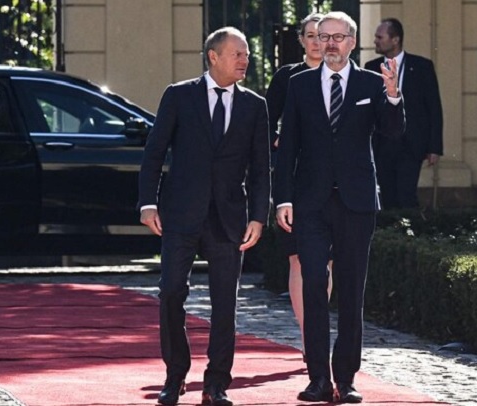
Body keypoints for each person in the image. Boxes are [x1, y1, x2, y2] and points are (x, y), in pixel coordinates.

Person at [273, 11, 404, 404]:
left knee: (350, 291)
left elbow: (392, 131)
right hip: (309, 203)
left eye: (337, 37)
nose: (329, 43)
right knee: (314, 286)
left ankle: (345, 379)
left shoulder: (370, 82)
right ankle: (317, 379)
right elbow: (287, 148)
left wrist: (394, 94)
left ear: (352, 41)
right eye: (322, 36)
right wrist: (283, 198)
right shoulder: (299, 85)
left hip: (357, 202)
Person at [138, 27, 270, 406]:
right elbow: (154, 152)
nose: (246, 60)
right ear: (213, 56)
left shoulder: (254, 106)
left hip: (229, 220)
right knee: (171, 294)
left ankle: (216, 385)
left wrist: (258, 216)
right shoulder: (178, 96)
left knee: (225, 305)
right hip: (180, 215)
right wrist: (148, 203)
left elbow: (262, 169)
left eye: (246, 54)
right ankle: (175, 375)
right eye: (238, 54)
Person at [265, 12, 332, 362]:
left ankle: (317, 333)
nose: (316, 42)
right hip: (293, 177)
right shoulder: (287, 77)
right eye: (310, 35)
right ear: (302, 40)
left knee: (327, 263)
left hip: (331, 180)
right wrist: (278, 140)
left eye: (322, 36)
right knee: (297, 260)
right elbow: (266, 120)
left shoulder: (341, 78)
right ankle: (310, 338)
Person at [364, 17, 443, 209]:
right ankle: (392, 237)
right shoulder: (371, 68)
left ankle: (410, 235)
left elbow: (433, 108)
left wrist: (434, 147)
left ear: (395, 40)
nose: (375, 41)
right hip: (382, 145)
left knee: (407, 195)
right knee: (387, 197)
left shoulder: (422, 67)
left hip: (411, 143)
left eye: (379, 37)